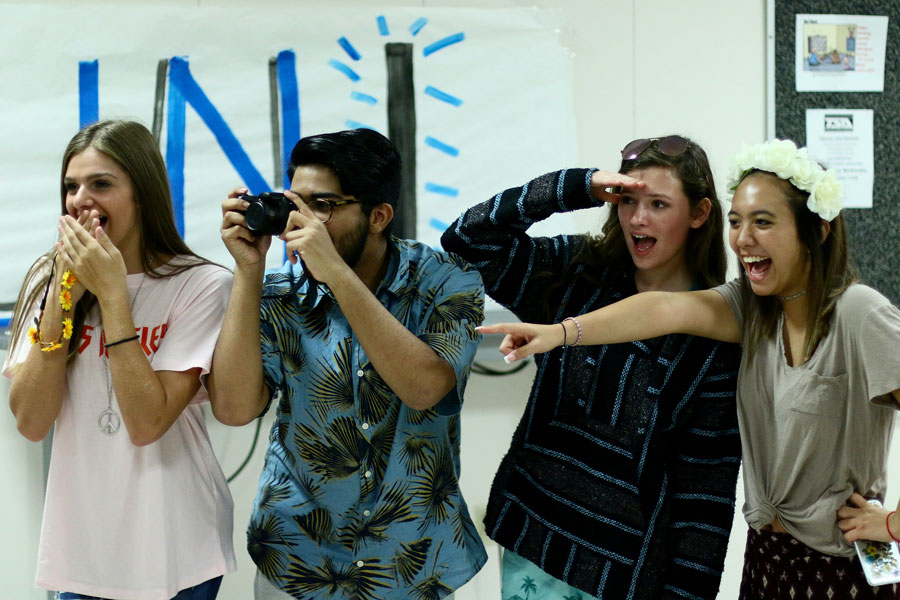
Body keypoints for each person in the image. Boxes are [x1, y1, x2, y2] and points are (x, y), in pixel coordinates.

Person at [482, 139, 900, 600]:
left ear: (816, 231)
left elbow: (704, 489)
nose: (743, 239)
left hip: (842, 567)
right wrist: (561, 332)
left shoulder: (859, 312)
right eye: (738, 221)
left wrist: (894, 524)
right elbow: (661, 310)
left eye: (763, 222)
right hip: (767, 562)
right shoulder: (752, 309)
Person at [441, 136, 742, 599]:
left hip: (624, 573)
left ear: (699, 214)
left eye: (658, 204)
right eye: (628, 201)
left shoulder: (714, 333)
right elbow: (466, 241)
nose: (637, 219)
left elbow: (706, 493)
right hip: (533, 544)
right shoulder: (576, 270)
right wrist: (576, 187)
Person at [208, 128, 487, 599]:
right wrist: (248, 271)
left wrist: (335, 271)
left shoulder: (446, 280)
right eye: (294, 202)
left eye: (323, 206)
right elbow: (233, 409)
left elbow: (424, 387)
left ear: (378, 216)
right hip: (296, 558)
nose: (302, 223)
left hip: (413, 561)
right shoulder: (278, 292)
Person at [4, 120, 235, 599]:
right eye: (71, 186)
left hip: (177, 546)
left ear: (143, 195)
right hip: (84, 550)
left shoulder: (202, 284)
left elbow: (147, 421)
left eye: (101, 184)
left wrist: (112, 294)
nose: (80, 199)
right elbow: (30, 420)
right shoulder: (48, 281)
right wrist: (64, 297)